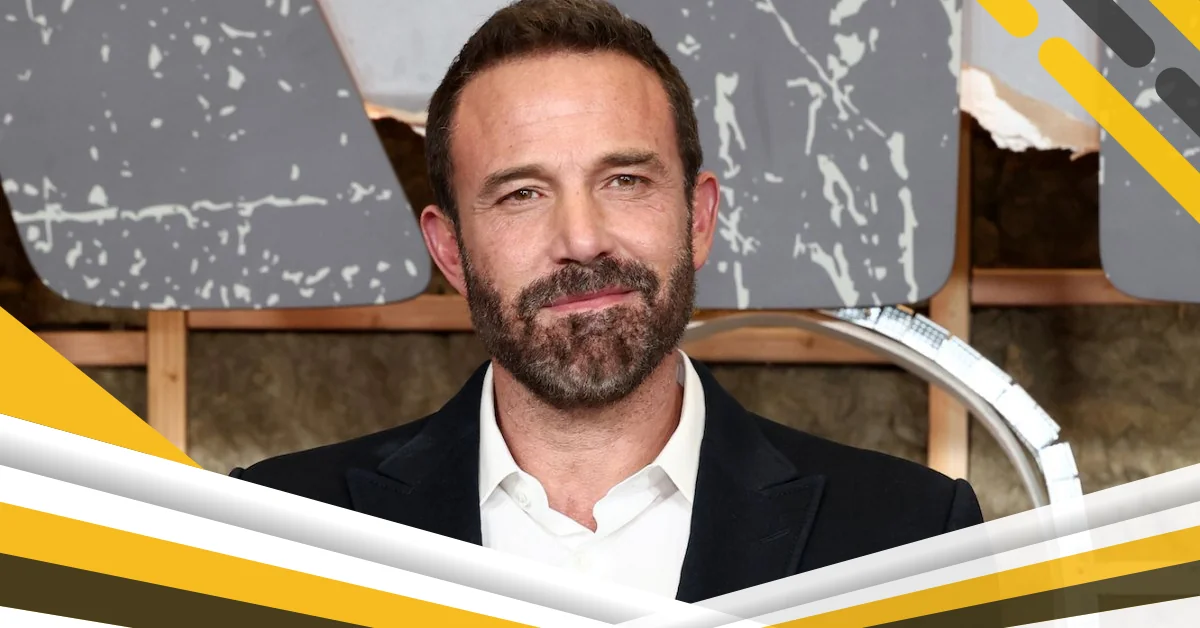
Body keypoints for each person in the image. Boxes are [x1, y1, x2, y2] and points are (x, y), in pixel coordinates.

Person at [232, 0, 984, 602]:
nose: (583, 239)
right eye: (522, 193)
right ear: (451, 250)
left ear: (698, 219)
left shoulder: (913, 540)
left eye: (625, 181)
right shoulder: (274, 537)